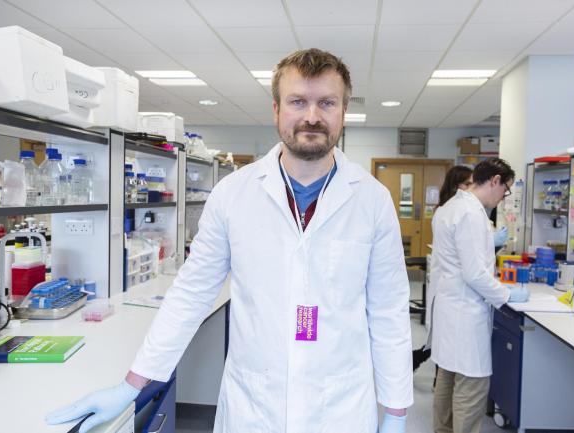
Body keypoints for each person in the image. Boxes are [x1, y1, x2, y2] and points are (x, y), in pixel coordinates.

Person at [46, 49, 413, 433]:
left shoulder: (372, 200)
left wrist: (396, 414)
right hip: (255, 407)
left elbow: (388, 311)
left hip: (340, 408)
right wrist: (131, 387)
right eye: (297, 101)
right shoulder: (233, 193)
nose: (311, 116)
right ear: (276, 110)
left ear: (343, 111)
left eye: (326, 102)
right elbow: (190, 294)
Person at [430, 158, 529, 433]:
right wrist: (506, 294)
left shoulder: (450, 207)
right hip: (465, 311)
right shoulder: (472, 214)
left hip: (450, 307)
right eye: (505, 190)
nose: (502, 198)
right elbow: (475, 274)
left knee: (447, 379)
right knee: (471, 388)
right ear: (495, 180)